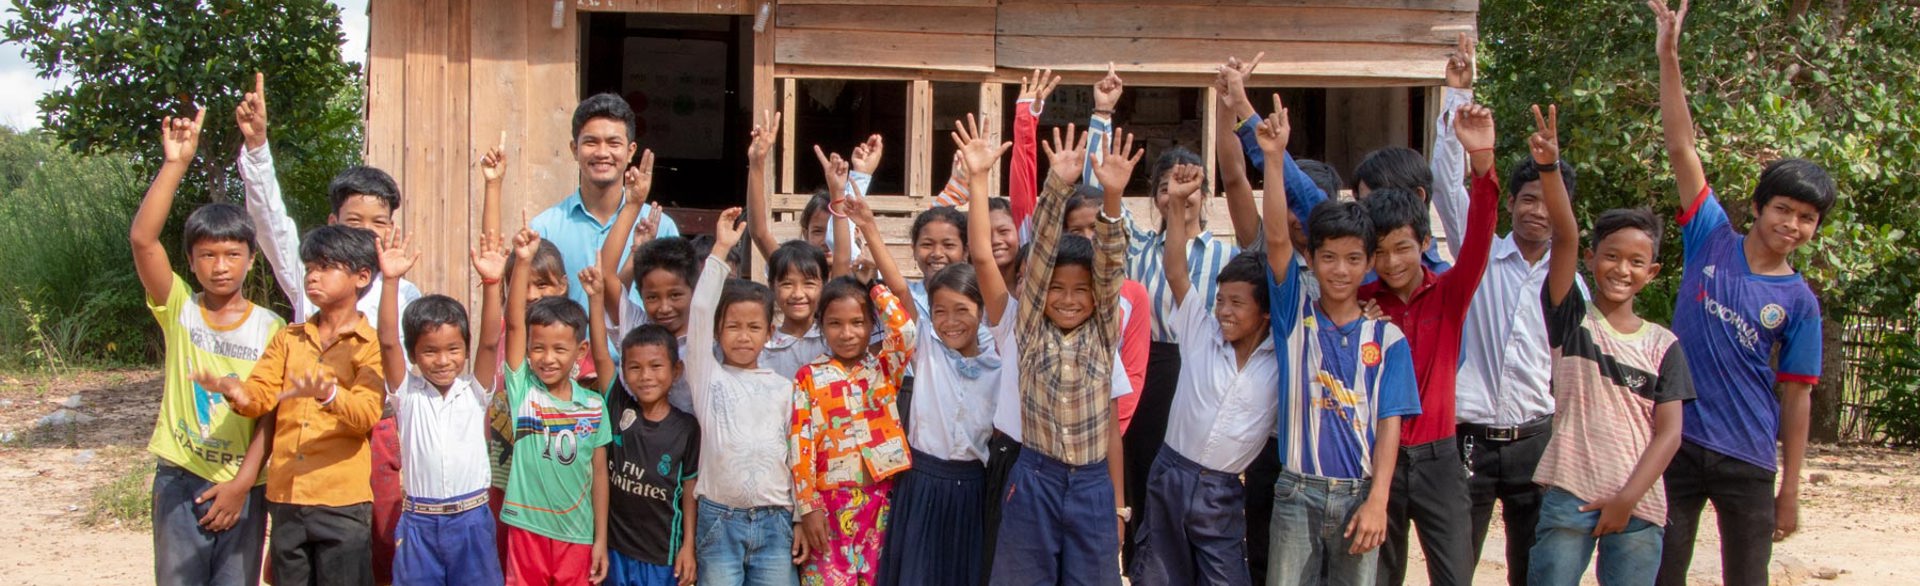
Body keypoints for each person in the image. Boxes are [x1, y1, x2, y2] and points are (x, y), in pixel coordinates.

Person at [1648, 2, 1834, 584]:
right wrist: (1668, 56)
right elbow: (1682, 147)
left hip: (1749, 457)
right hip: (1677, 445)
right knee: (1663, 573)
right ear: (1756, 208)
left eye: (1806, 217)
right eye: (1782, 208)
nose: (1792, 224)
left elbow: (1797, 398)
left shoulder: (1801, 303)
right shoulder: (1710, 238)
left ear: (1814, 228)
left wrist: (1790, 490)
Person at [234, 73, 420, 579]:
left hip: (379, 442)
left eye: (378, 222)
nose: (366, 232)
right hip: (303, 459)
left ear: (392, 228)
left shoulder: (407, 295)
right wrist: (257, 148)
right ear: (332, 223)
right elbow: (271, 222)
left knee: (374, 554)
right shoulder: (310, 280)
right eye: (352, 222)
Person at [1522, 104, 1694, 586]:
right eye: (1612, 256)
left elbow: (1670, 434)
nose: (1622, 269)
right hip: (1570, 491)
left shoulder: (1664, 345)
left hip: (1640, 505)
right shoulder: (1572, 319)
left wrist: (1626, 500)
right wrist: (1550, 168)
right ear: (1593, 259)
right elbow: (1565, 235)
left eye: (1636, 262)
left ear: (1652, 272)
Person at [1424, 33, 1573, 586]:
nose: (1537, 212)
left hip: (1537, 439)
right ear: (1511, 203)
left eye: (1547, 201)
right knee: (1454, 568)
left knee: (1531, 570)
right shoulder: (1478, 249)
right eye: (1526, 199)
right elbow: (1448, 183)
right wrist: (1457, 96)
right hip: (1469, 440)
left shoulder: (1569, 281)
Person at [1252, 95, 1418, 586]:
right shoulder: (1292, 316)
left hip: (1360, 495)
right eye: (1328, 258)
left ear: (1369, 265)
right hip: (1296, 492)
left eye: (1352, 259)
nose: (1339, 270)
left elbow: (1390, 425)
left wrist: (1378, 500)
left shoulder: (1387, 339)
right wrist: (1275, 159)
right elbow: (1278, 240)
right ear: (1314, 259)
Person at [1351, 100, 1501, 586]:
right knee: (1381, 575)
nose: (1392, 262)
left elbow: (1480, 233)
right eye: (1379, 252)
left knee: (1456, 574)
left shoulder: (1450, 294)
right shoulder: (1360, 302)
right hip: (1377, 459)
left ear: (1423, 243)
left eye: (1403, 248)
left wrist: (1481, 161)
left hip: (1440, 458)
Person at [133, 108, 283, 586]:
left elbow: (270, 414)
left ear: (251, 258)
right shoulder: (179, 308)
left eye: (233, 254)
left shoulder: (271, 326)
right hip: (180, 477)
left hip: (244, 483)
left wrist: (241, 486)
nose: (221, 266)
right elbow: (142, 239)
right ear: (191, 263)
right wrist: (176, 163)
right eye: (208, 256)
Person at [988, 123, 1137, 586]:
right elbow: (1038, 262)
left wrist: (1111, 197)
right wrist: (1056, 187)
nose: (1068, 299)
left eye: (1080, 290)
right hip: (1035, 479)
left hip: (1093, 486)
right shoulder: (1030, 328)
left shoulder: (1103, 330)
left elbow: (1111, 264)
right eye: (1057, 289)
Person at [201, 224, 386, 586]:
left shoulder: (371, 345)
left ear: (361, 277)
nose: (312, 277)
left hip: (342, 501)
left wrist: (329, 395)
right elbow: (262, 393)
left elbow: (366, 414)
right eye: (309, 268)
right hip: (286, 497)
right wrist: (239, 393)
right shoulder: (289, 338)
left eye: (325, 267)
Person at [1128, 157, 1280, 585]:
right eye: (1220, 300)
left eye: (1237, 303)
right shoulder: (1200, 330)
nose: (1224, 311)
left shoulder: (1278, 359)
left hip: (1222, 491)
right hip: (1170, 476)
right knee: (1157, 575)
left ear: (1265, 314)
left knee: (1225, 577)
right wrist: (1175, 206)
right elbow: (1175, 269)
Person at [876, 116, 1009, 586]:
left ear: (983, 308)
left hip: (974, 485)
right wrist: (869, 228)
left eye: (962, 310)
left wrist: (977, 180)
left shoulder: (1000, 348)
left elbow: (983, 254)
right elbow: (897, 282)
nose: (950, 321)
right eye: (941, 311)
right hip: (921, 481)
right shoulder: (927, 343)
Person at [791, 144, 921, 584]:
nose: (847, 332)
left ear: (870, 326)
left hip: (881, 495)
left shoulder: (883, 367)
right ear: (821, 327)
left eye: (857, 323)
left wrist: (875, 288)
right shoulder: (809, 377)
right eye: (835, 323)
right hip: (827, 504)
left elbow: (905, 331)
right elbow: (801, 446)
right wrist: (806, 507)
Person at [674, 209, 804, 586]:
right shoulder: (707, 377)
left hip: (776, 522)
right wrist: (720, 251)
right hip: (719, 522)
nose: (743, 336)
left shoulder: (786, 388)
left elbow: (797, 458)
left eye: (753, 327)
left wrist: (797, 517)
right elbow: (698, 311)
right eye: (733, 327)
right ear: (717, 333)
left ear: (769, 333)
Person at [373, 236, 503, 586]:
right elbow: (387, 341)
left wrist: (492, 283)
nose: (443, 360)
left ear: (464, 350)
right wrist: (390, 281)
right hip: (420, 523)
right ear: (414, 355)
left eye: (453, 349)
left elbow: (491, 341)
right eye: (430, 351)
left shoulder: (475, 392)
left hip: (472, 520)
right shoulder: (408, 394)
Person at [498, 222, 615, 584]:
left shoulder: (594, 406)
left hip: (577, 535)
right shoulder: (524, 393)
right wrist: (521, 261)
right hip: (527, 527)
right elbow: (515, 324)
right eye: (538, 349)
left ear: (579, 352)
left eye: (559, 349)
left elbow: (599, 476)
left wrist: (600, 539)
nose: (547, 358)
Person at [532, 93, 680, 312]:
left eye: (613, 143)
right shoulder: (544, 229)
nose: (602, 153)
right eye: (591, 142)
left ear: (630, 152)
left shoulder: (660, 227)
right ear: (574, 150)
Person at [602, 324, 701, 586]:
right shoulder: (619, 407)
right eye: (635, 367)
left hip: (662, 556)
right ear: (623, 372)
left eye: (656, 366)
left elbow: (690, 491)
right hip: (617, 550)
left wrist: (688, 546)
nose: (646, 376)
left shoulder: (687, 428)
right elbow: (602, 355)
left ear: (676, 371)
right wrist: (596, 296)